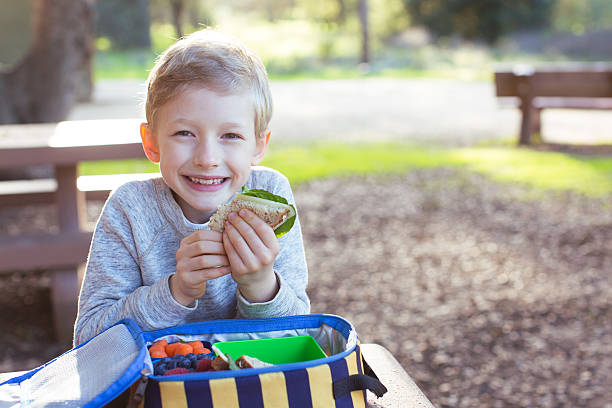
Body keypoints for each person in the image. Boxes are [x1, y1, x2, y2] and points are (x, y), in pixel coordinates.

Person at [73, 29, 310, 345]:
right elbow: (89, 340)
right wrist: (175, 292)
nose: (207, 158)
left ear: (258, 145)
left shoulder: (271, 197)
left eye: (231, 136)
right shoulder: (130, 210)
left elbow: (300, 338)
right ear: (151, 142)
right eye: (185, 133)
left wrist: (261, 286)